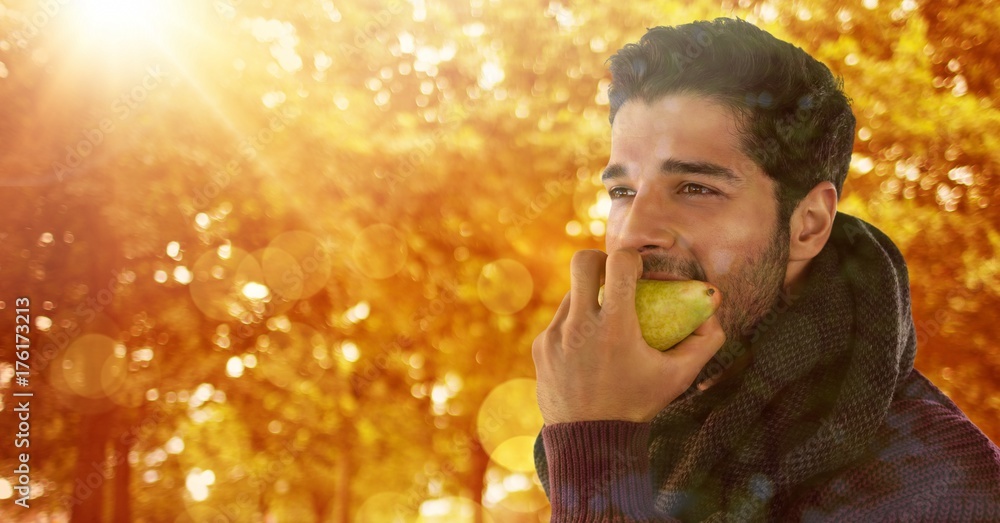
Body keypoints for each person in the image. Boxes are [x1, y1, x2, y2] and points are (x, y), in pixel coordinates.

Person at [531, 17, 1000, 522]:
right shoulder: (654, 429)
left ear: (808, 224)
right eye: (623, 192)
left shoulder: (939, 488)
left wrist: (596, 443)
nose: (632, 232)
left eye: (695, 188)